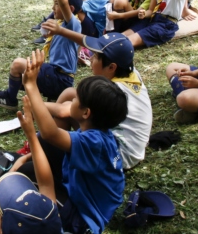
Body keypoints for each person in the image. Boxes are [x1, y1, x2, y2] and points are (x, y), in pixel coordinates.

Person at [19, 49, 127, 234]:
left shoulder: (93, 143)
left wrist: (31, 85)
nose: (72, 100)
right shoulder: (98, 133)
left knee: (23, 197)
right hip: (82, 190)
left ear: (86, 113)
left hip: (82, 217)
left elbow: (50, 133)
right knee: (25, 169)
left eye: (76, 99)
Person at [40, 20, 153, 170]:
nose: (91, 58)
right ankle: (47, 146)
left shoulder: (109, 92)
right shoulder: (128, 70)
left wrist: (35, 104)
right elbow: (88, 42)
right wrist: (61, 31)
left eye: (95, 57)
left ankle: (49, 152)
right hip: (134, 148)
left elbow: (64, 111)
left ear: (111, 67)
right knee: (69, 94)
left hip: (118, 155)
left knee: (66, 111)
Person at [0, 0, 82, 109]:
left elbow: (64, 3)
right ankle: (46, 97)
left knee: (18, 65)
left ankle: (10, 99)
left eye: (56, 3)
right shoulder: (63, 25)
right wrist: (50, 36)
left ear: (70, 8)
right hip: (57, 75)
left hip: (60, 78)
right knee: (23, 77)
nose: (53, 7)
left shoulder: (73, 24)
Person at [0, 96, 62, 234]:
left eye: (2, 216)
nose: (0, 217)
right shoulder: (50, 222)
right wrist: (31, 136)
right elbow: (46, 185)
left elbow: (45, 186)